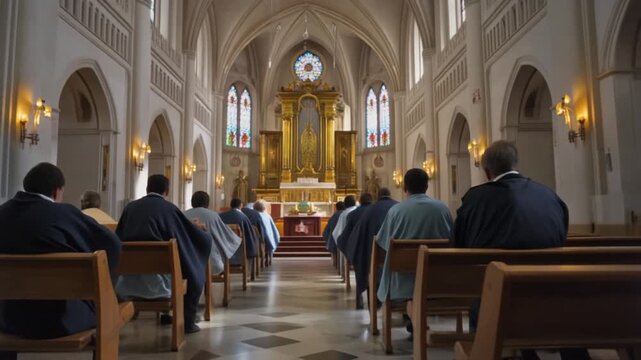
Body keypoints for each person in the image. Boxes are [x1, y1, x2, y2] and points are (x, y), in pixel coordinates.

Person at [451, 140, 584, 360]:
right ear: (516, 163)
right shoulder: (549, 196)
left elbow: (458, 246)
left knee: (481, 303)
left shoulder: (475, 199)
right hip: (552, 295)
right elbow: (561, 237)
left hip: (498, 298)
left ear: (487, 172)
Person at [0, 163, 120, 339]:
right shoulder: (64, 213)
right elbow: (113, 245)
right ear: (56, 192)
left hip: (7, 318)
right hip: (60, 318)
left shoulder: (3, 213)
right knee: (108, 311)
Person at [115, 175, 212, 334]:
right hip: (162, 286)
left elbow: (118, 239)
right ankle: (187, 321)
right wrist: (200, 231)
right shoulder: (169, 209)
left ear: (147, 189)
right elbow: (185, 234)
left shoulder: (130, 208)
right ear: (167, 191)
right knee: (187, 264)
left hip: (127, 283)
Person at [376, 169, 452, 303]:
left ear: (404, 187)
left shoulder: (395, 211)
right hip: (437, 280)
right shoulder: (443, 209)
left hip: (402, 286)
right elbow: (452, 240)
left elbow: (382, 246)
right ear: (426, 186)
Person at [343, 188, 398, 309]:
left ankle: (375, 302)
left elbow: (356, 236)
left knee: (374, 266)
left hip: (378, 257)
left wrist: (353, 255)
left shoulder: (369, 211)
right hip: (403, 260)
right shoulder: (399, 207)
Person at [184, 191, 242, 274]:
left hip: (187, 262)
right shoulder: (213, 216)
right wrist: (237, 239)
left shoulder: (183, 215)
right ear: (207, 203)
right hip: (210, 262)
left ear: (192, 202)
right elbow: (225, 236)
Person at [219, 198, 259, 267]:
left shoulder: (221, 216)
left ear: (231, 205)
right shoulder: (243, 217)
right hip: (240, 248)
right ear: (241, 205)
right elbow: (249, 234)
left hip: (224, 247)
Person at [336, 192, 373, 258]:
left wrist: (340, 242)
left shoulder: (352, 214)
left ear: (360, 201)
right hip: (372, 246)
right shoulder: (375, 212)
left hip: (357, 247)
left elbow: (344, 232)